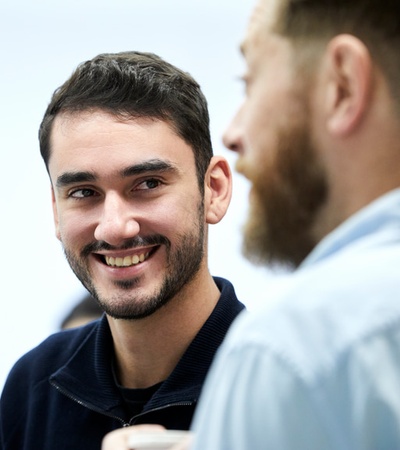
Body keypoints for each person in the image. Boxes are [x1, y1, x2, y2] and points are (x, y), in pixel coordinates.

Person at [102, 0, 400, 447]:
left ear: (342, 86)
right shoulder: (29, 383)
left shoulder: (291, 348)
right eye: (82, 192)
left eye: (250, 84)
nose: (234, 131)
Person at [0, 51, 245, 450]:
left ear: (213, 190)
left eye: (147, 184)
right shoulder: (32, 387)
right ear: (56, 212)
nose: (114, 228)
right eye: (83, 192)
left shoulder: (281, 381)